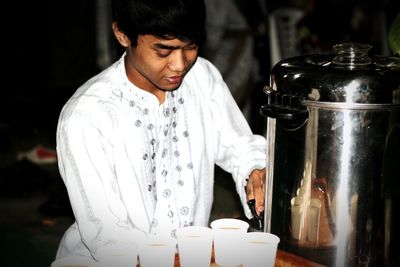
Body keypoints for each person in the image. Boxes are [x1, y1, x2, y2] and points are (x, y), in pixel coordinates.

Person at [51, 0, 267, 266]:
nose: (179, 65)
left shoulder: (201, 77)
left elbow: (239, 146)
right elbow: (108, 237)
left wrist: (254, 171)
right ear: (122, 34)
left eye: (190, 47)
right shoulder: (88, 115)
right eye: (163, 51)